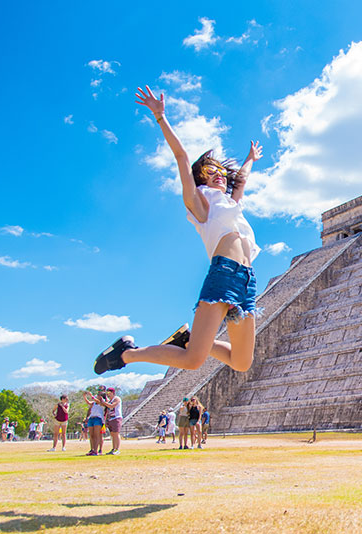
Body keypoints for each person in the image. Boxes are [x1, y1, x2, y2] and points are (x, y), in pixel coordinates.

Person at [93, 85, 263, 379]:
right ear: (200, 180)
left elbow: (241, 182)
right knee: (193, 360)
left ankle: (188, 339)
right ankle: (127, 354)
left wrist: (250, 159)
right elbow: (183, 157)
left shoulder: (229, 204)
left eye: (221, 170)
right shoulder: (200, 204)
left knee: (242, 361)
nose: (219, 174)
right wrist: (161, 117)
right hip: (224, 275)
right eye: (211, 171)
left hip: (247, 281)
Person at [94, 387, 123, 455]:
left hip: (116, 417)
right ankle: (113, 448)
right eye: (107, 393)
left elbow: (112, 406)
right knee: (112, 434)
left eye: (109, 393)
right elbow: (104, 406)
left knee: (116, 433)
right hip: (111, 418)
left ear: (113, 393)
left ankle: (117, 449)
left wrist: (104, 402)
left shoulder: (116, 398)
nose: (108, 395)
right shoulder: (109, 400)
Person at [83, 391, 105, 456]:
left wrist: (91, 395)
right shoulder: (93, 403)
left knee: (96, 435)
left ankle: (96, 450)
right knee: (91, 435)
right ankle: (92, 449)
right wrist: (85, 396)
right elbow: (88, 402)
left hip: (98, 419)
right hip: (91, 418)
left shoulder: (102, 402)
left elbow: (98, 401)